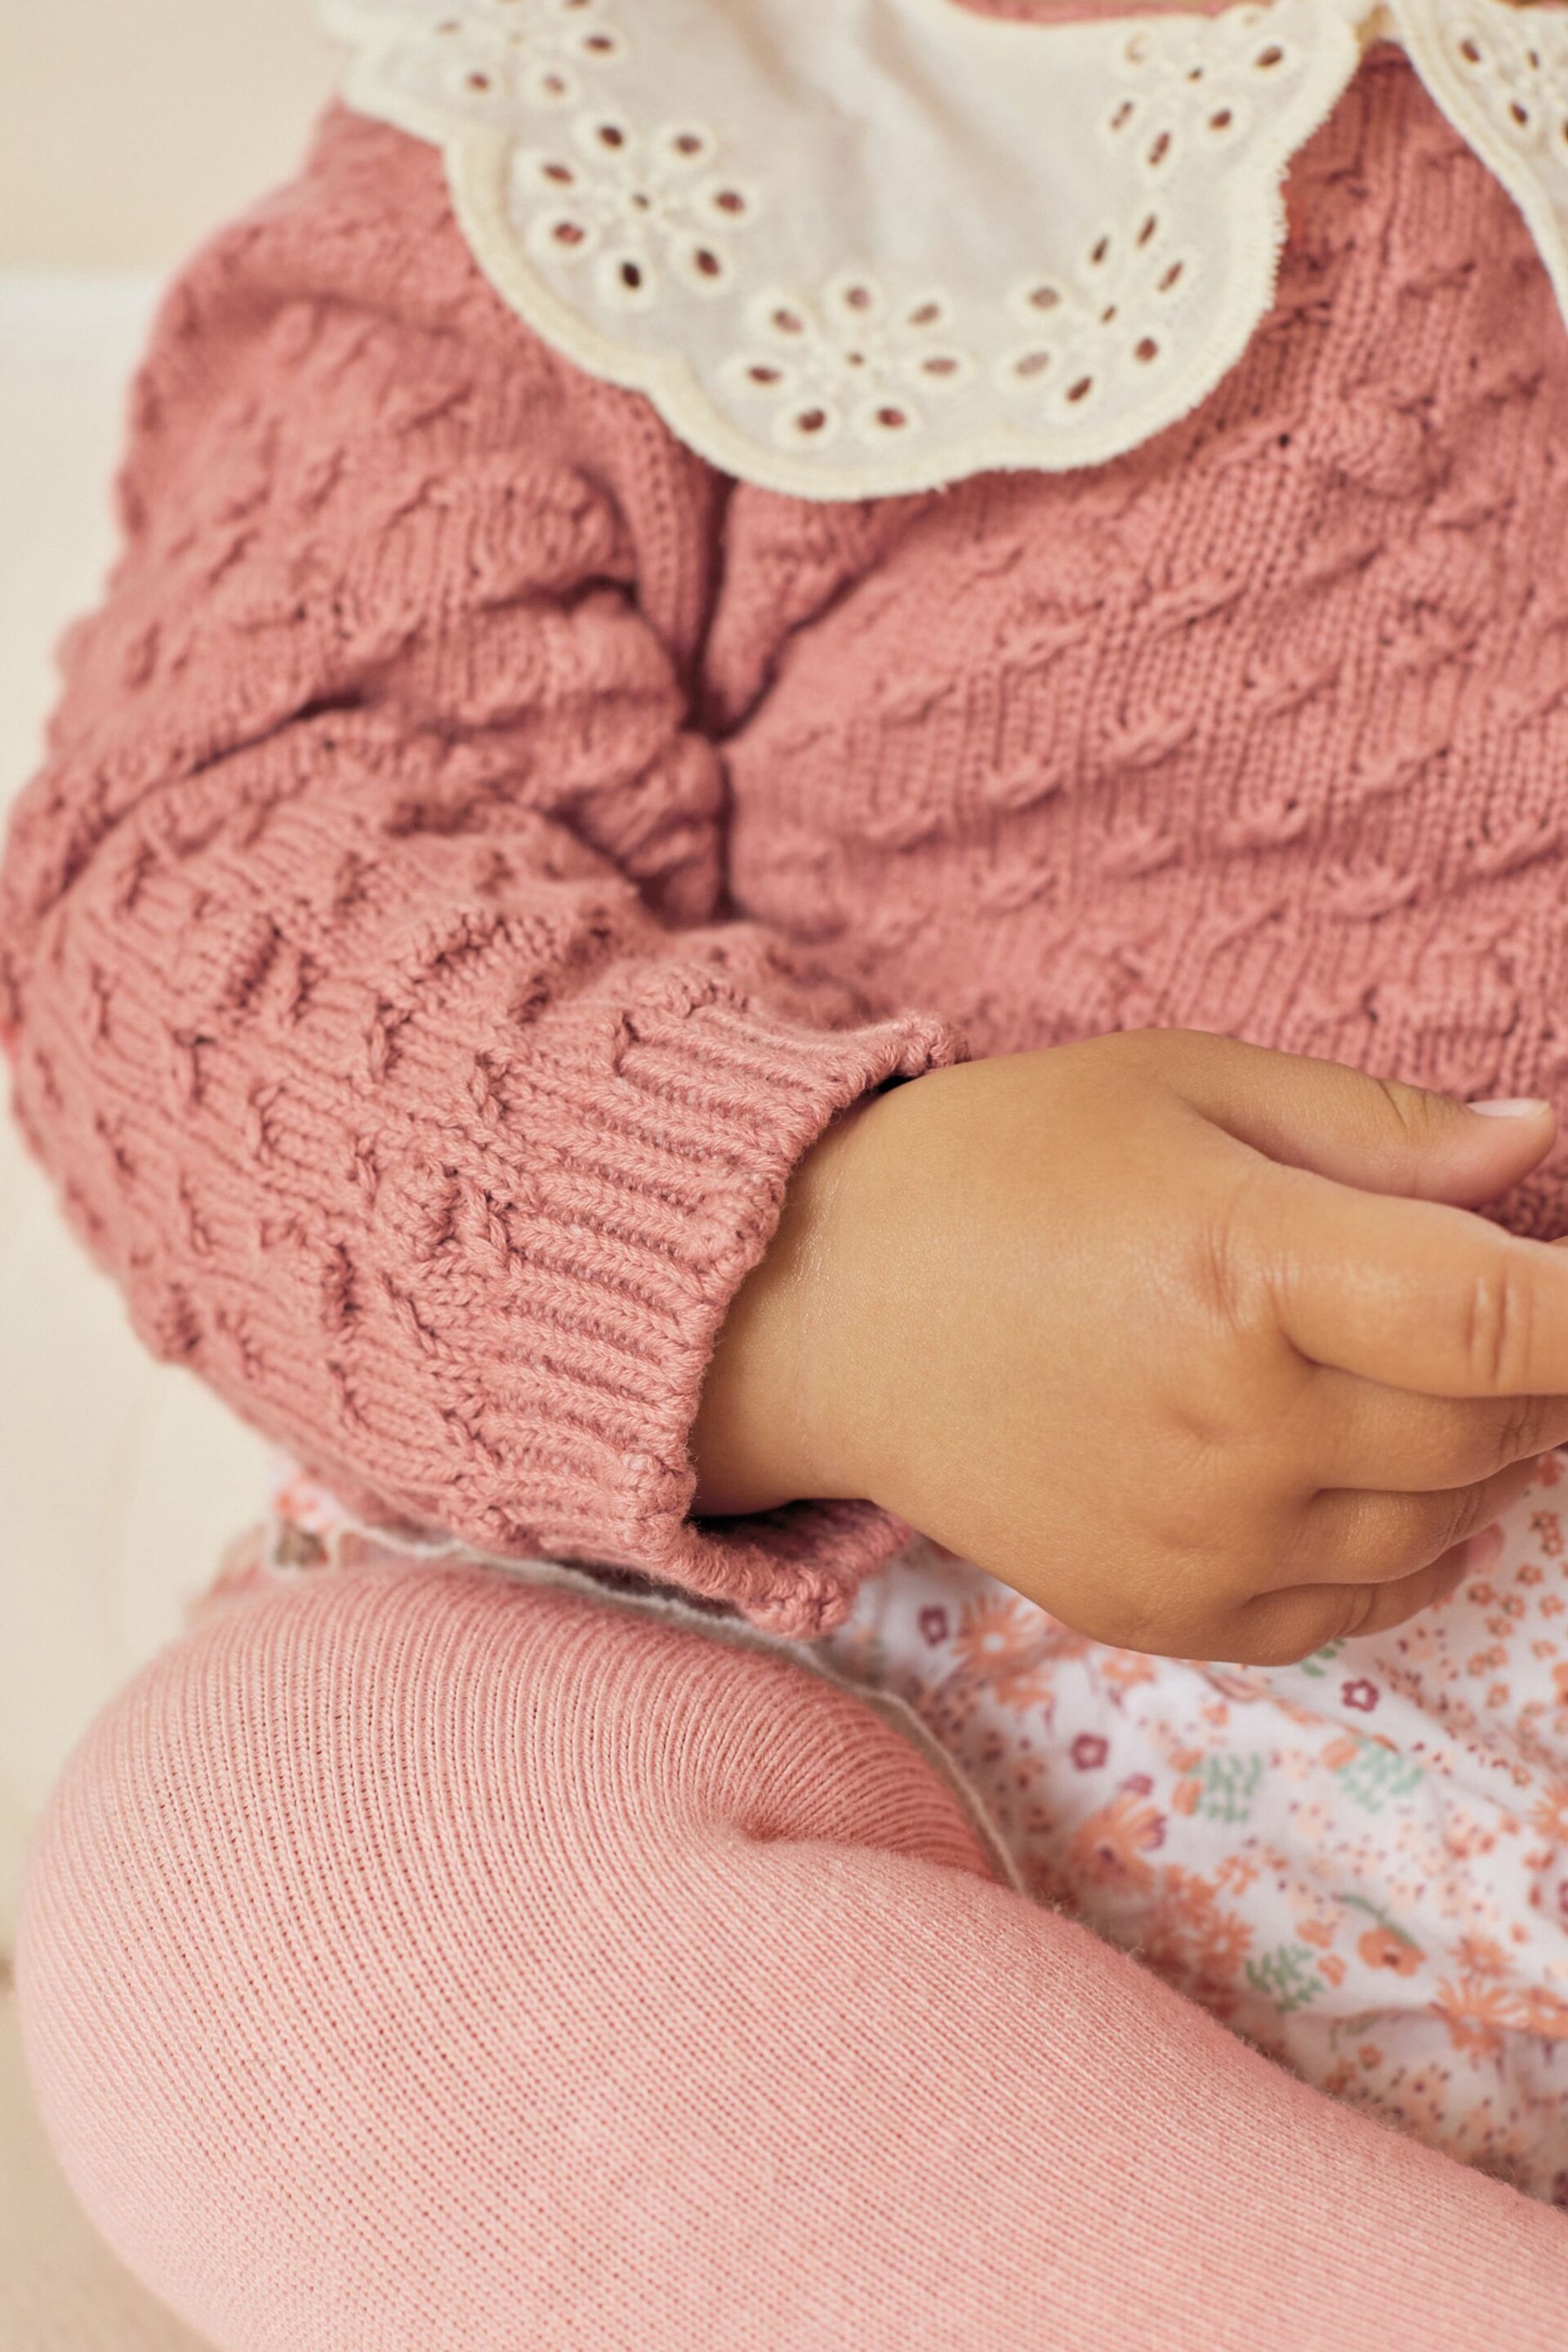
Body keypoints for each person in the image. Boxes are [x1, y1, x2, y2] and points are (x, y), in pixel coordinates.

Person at [9, 0, 1568, 2340]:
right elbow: (204, 898)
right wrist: (822, 1268)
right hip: (901, 1689)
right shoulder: (590, 148)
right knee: (295, 1860)